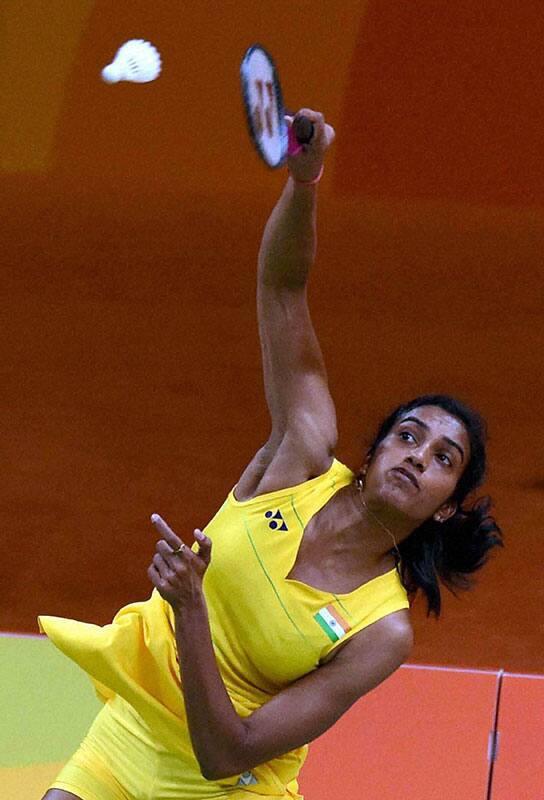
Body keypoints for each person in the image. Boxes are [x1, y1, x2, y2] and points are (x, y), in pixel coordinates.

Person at [40, 109, 503, 800]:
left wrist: (191, 611)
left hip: (227, 782)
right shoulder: (303, 457)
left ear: (445, 509)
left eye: (443, 459)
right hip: (133, 732)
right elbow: (283, 288)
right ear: (373, 450)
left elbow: (230, 751)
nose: (417, 456)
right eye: (408, 435)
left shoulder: (381, 631)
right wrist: (306, 179)